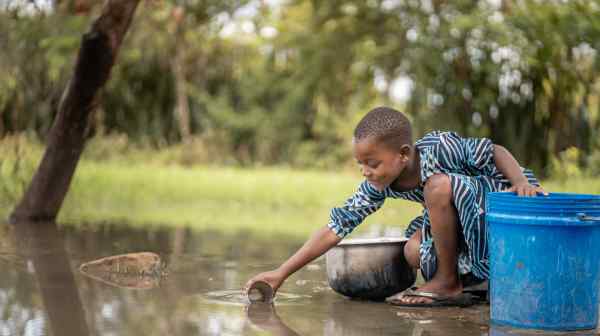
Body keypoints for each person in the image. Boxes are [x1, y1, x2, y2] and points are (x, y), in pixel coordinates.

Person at [244, 106, 546, 307]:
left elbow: (493, 151)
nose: (365, 171)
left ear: (403, 154)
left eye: (372, 163)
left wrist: (520, 181)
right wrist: (280, 273)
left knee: (437, 187)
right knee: (412, 250)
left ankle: (448, 282)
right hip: (467, 225)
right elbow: (335, 228)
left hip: (505, 202)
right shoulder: (380, 184)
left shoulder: (440, 148)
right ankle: (470, 285)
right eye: (360, 164)